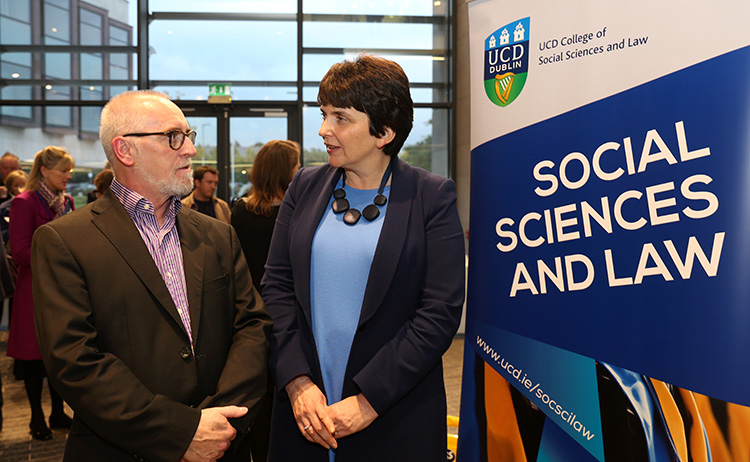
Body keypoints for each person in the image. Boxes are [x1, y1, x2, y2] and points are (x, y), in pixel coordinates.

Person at [31, 90, 273, 461]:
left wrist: (220, 424)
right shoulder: (64, 241)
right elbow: (75, 362)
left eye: (189, 137)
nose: (190, 150)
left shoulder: (217, 234)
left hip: (224, 442)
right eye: (174, 137)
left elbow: (252, 327)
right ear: (126, 150)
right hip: (124, 450)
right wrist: (182, 432)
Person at [262, 55, 466, 461]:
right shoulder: (304, 186)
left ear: (383, 132)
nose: (323, 130)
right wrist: (297, 382)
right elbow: (276, 286)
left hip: (394, 413)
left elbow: (438, 312)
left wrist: (369, 400)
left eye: (340, 118)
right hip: (304, 412)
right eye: (324, 114)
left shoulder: (431, 197)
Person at [9, 146, 75, 441]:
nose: (68, 176)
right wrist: (58, 245)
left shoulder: (68, 201)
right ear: (45, 171)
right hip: (33, 292)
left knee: (59, 356)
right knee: (34, 361)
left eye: (70, 170)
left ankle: (58, 412)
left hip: (61, 290)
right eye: (64, 170)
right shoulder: (23, 203)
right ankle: (37, 417)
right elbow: (20, 253)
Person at [232, 140, 300, 294]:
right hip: (288, 297)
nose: (299, 172)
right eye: (297, 167)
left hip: (250, 298)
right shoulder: (296, 212)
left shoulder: (241, 210)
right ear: (286, 172)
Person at [0, 169, 28, 241]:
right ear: (10, 188)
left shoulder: (36, 204)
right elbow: (2, 235)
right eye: (16, 186)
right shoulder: (4, 208)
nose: (20, 189)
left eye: (23, 184)